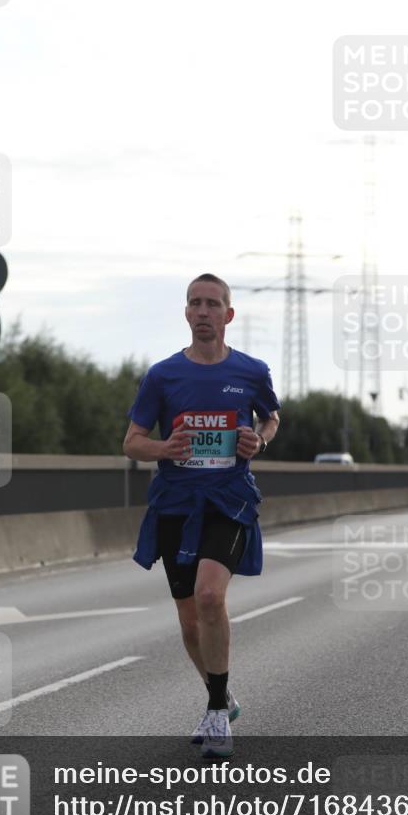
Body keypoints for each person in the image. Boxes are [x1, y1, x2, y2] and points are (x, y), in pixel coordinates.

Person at [123, 273, 280, 758]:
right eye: (196, 303)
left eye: (213, 304)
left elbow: (271, 415)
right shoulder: (163, 375)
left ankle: (216, 718)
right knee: (190, 620)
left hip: (229, 499)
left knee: (210, 596)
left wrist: (261, 437)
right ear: (187, 314)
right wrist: (163, 446)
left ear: (228, 315)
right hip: (176, 502)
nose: (204, 311)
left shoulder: (251, 371)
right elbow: (131, 441)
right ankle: (222, 697)